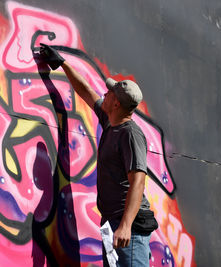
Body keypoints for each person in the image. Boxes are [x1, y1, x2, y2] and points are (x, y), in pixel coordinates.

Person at [39, 43, 156, 267]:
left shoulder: (130, 135)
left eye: (110, 92)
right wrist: (61, 63)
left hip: (128, 227)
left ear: (116, 103)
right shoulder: (110, 121)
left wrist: (125, 225)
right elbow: (86, 91)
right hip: (112, 223)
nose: (106, 91)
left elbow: (138, 181)